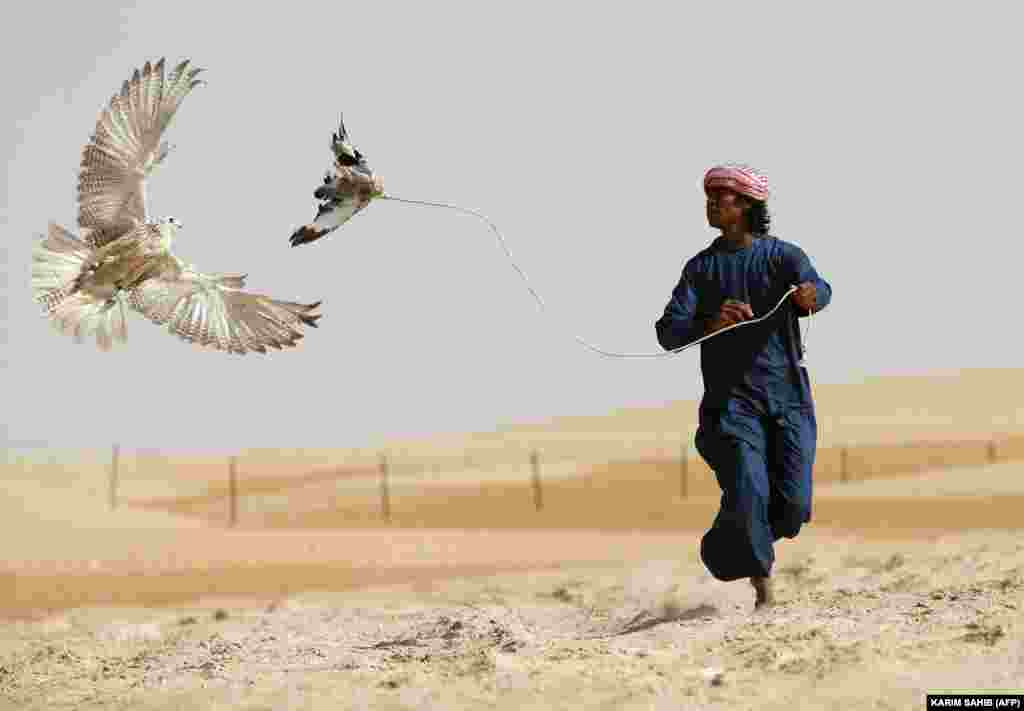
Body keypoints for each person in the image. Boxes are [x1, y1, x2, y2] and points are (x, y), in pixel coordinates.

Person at [654, 164, 832, 610]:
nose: (713, 204)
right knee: (751, 488)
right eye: (710, 196)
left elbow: (820, 287)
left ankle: (725, 543)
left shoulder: (784, 256)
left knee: (793, 508)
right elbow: (668, 331)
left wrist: (813, 296)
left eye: (724, 197)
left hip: (789, 399)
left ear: (748, 206)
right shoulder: (701, 269)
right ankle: (763, 591)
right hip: (731, 408)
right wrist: (709, 324)